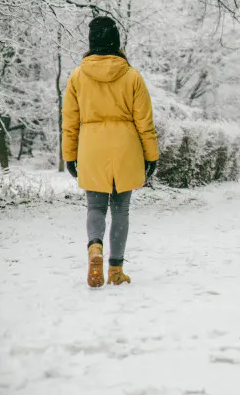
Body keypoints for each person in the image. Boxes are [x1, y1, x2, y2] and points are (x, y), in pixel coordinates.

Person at [62, 16, 159, 288]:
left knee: (95, 206)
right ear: (116, 42)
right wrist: (151, 156)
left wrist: (69, 155)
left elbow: (69, 122)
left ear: (91, 43)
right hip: (126, 149)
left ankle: (95, 247)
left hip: (92, 149)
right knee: (121, 209)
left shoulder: (77, 76)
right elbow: (145, 123)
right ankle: (115, 270)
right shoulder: (132, 76)